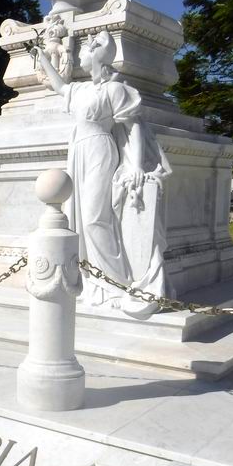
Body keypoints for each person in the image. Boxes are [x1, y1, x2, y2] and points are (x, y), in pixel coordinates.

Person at [33, 30, 171, 313]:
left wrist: (133, 164)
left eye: (84, 50)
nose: (79, 55)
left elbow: (132, 127)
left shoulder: (114, 89)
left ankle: (116, 282)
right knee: (79, 217)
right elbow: (59, 86)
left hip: (99, 150)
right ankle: (92, 280)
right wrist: (40, 56)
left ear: (97, 53)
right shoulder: (82, 90)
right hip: (78, 152)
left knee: (96, 218)